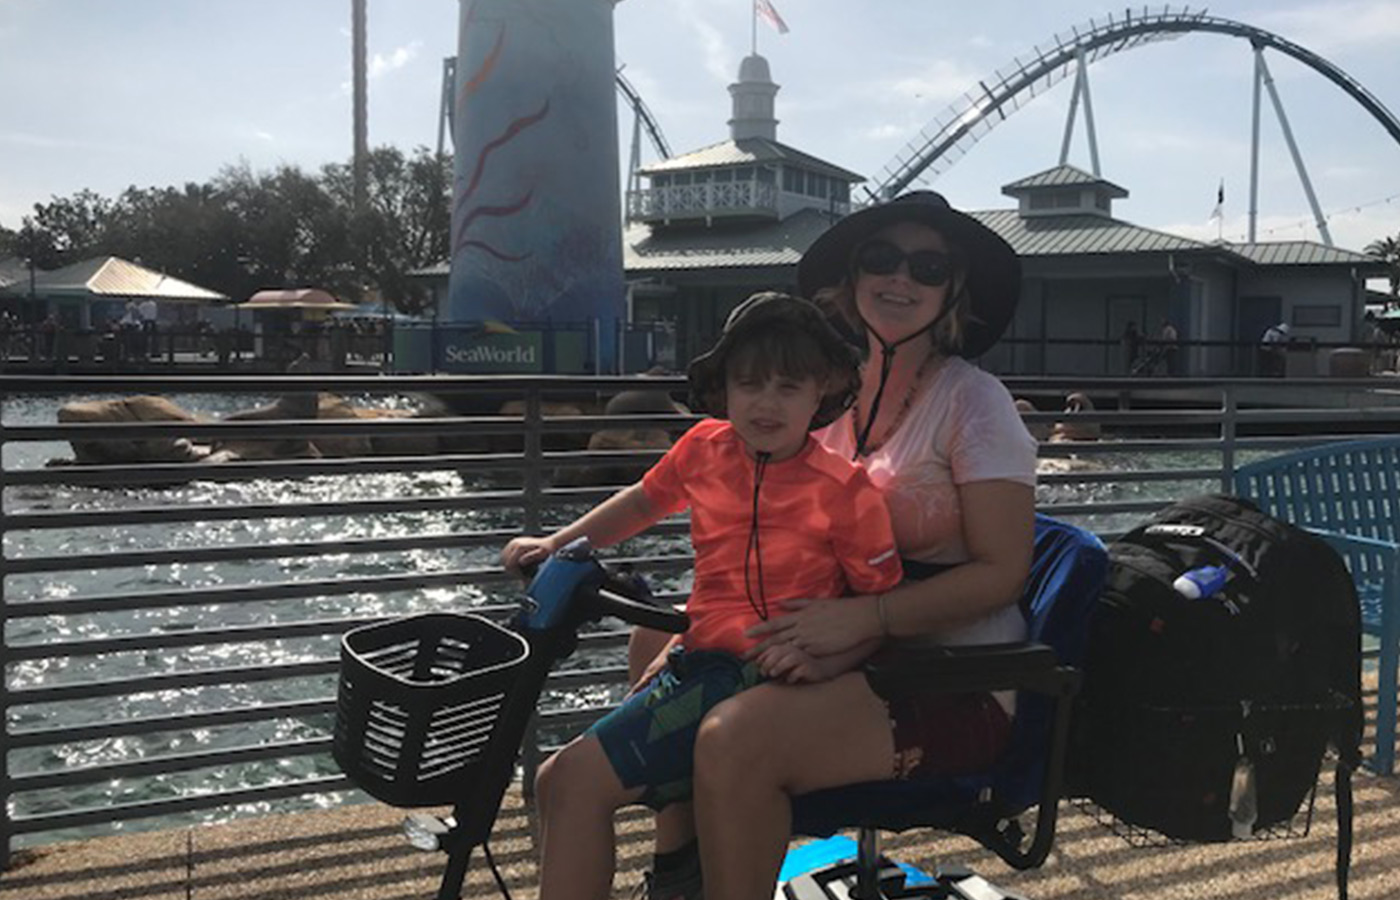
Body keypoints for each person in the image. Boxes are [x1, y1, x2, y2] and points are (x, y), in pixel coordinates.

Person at [626, 191, 1038, 900]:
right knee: (652, 642)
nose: (901, 278)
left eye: (928, 266)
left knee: (734, 737)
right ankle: (680, 870)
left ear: (953, 292)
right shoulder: (820, 400)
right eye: (881, 258)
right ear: (850, 281)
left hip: (952, 676)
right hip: (839, 642)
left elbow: (1004, 573)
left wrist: (866, 620)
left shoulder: (975, 403)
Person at [500, 291, 904, 900]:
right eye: (749, 384)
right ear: (724, 389)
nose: (766, 403)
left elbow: (878, 609)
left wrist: (828, 659)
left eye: (788, 387)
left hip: (755, 675)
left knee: (573, 780)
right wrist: (557, 542)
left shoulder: (846, 492)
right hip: (698, 662)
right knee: (558, 780)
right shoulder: (703, 449)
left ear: (821, 390)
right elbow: (642, 501)